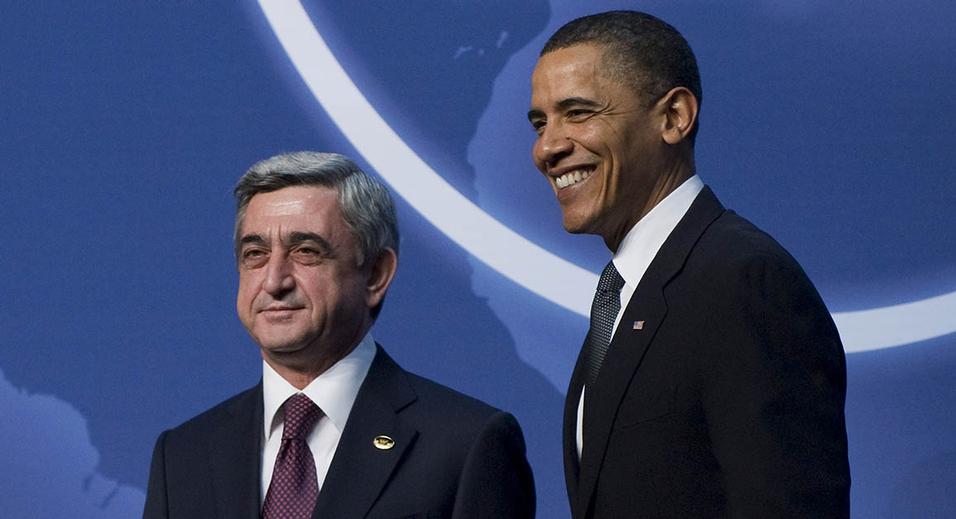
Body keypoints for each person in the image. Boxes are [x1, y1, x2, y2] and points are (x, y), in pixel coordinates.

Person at [527, 11, 850, 518]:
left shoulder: (744, 281)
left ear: (674, 116)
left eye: (579, 113)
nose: (548, 147)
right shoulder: (624, 293)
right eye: (540, 122)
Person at [144, 152, 535, 518]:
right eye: (255, 254)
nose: (274, 281)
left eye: (306, 251)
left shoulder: (466, 444)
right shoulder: (182, 456)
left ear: (377, 274)